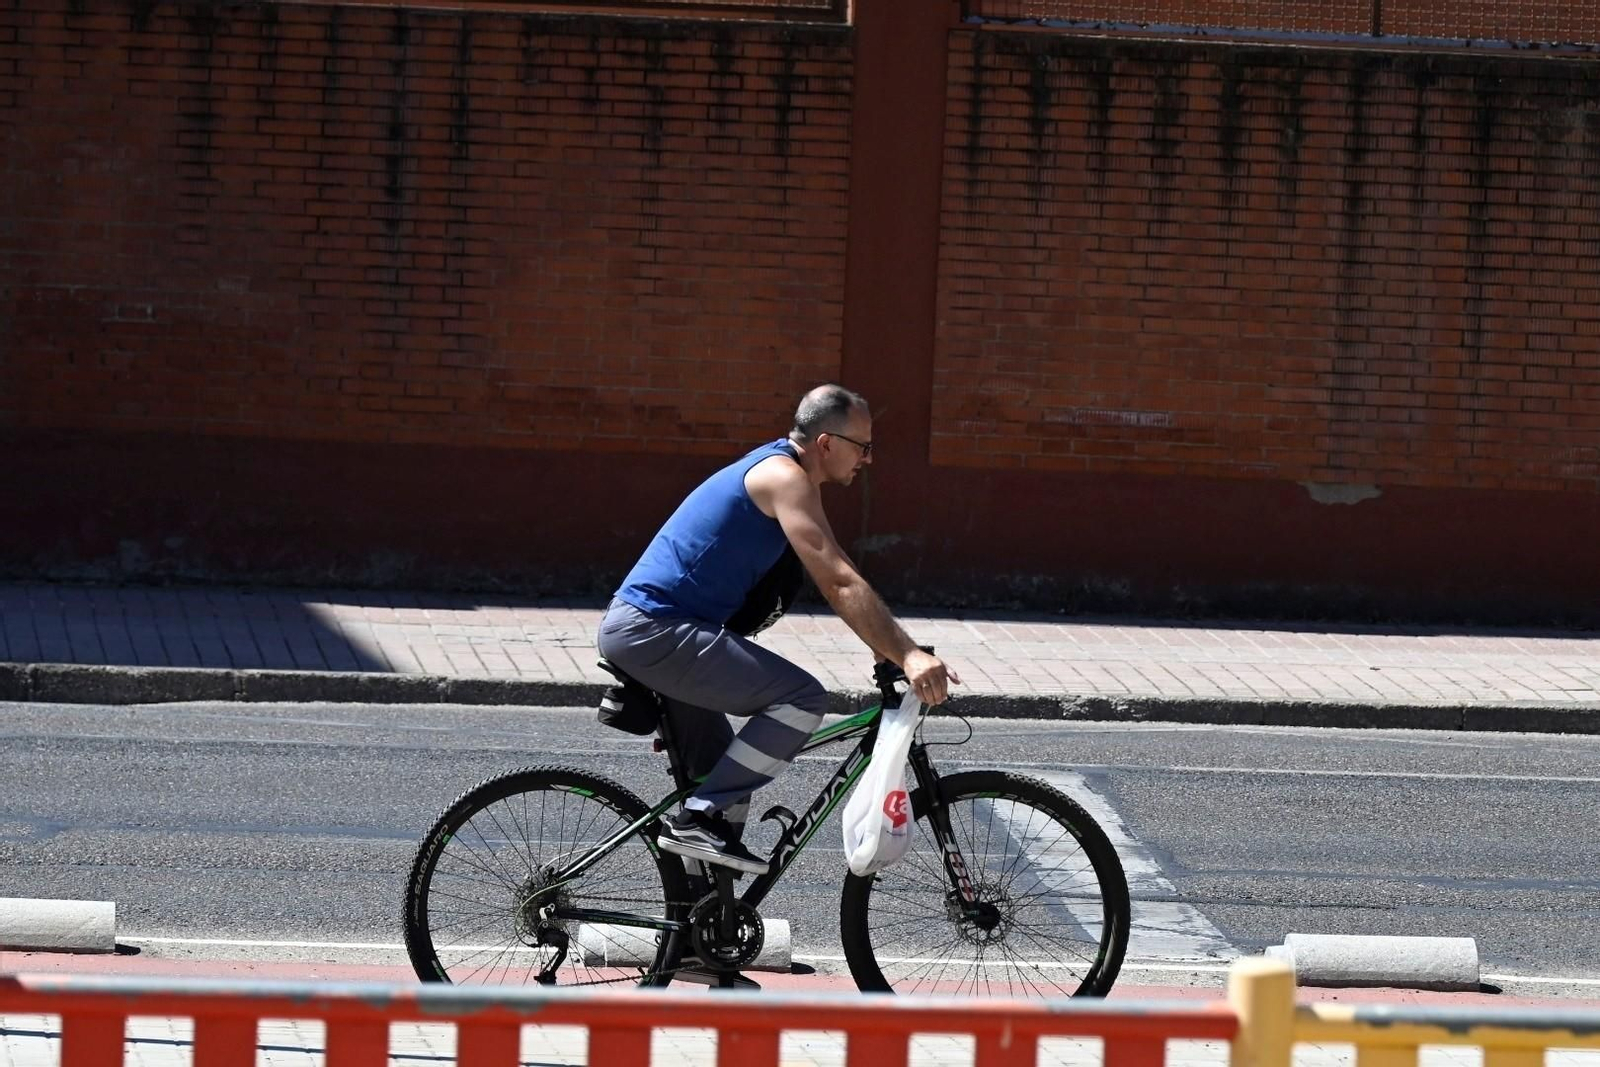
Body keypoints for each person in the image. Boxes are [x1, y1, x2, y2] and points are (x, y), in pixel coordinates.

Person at [596, 383, 959, 876]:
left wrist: (885, 648)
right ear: (827, 443)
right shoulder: (784, 478)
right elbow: (838, 578)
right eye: (864, 447)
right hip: (655, 628)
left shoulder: (781, 472)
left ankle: (696, 933)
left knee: (726, 778)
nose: (869, 459)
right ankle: (697, 817)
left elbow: (834, 575)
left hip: (661, 629)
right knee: (802, 699)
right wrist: (908, 654)